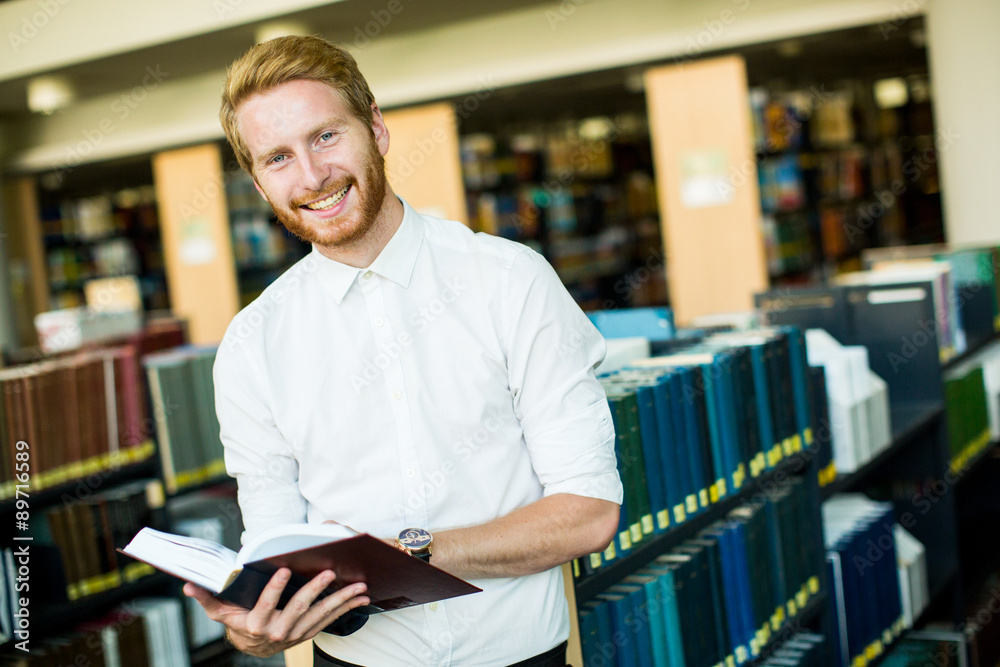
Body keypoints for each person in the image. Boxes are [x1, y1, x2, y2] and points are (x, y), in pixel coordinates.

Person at [184, 35, 623, 667]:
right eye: (278, 157)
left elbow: (588, 514)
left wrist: (411, 553)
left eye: (326, 137)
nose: (311, 176)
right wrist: (252, 628)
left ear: (376, 129)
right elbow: (273, 547)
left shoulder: (509, 279)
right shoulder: (252, 345)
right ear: (257, 181)